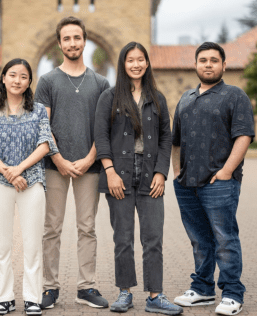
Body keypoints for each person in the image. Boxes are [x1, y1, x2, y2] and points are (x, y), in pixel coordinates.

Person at [94, 42, 182, 315]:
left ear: (146, 63)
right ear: (123, 64)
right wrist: (109, 172)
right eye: (130, 60)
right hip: (118, 174)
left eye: (140, 59)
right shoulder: (109, 97)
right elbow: (101, 136)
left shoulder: (157, 98)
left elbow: (166, 138)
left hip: (149, 175)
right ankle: (125, 292)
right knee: (123, 238)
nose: (135, 64)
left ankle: (155, 296)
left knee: (153, 237)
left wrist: (161, 173)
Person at [171, 42, 254, 316]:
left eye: (214, 60)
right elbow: (176, 142)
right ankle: (203, 289)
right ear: (195, 65)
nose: (208, 64)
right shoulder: (185, 98)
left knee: (225, 238)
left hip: (219, 182)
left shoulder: (234, 96)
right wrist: (176, 174)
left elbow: (243, 136)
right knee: (199, 239)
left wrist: (226, 171)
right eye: (203, 60)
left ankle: (232, 294)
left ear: (223, 65)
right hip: (187, 183)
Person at [35, 16, 110, 309]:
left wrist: (91, 157)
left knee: (87, 228)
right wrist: (59, 159)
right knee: (51, 227)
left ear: (84, 40)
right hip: (55, 166)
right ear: (59, 43)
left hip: (89, 166)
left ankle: (86, 287)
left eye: (77, 38)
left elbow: (104, 127)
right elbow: (43, 125)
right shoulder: (48, 81)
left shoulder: (101, 82)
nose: (72, 43)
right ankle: (49, 288)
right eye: (66, 39)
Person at [0, 58, 58, 316]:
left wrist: (19, 169)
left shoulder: (38, 111)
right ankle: (4, 298)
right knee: (2, 246)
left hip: (32, 183)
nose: (17, 80)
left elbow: (45, 145)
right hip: (0, 184)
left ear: (29, 82)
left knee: (32, 244)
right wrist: (9, 173)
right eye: (12, 75)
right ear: (3, 78)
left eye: (23, 76)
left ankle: (32, 299)